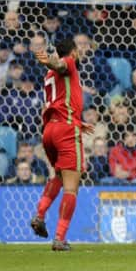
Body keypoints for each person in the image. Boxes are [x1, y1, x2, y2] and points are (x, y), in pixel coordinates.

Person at [29, 39, 92, 251]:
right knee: (71, 188)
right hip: (65, 131)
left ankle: (39, 215)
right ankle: (59, 238)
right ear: (73, 52)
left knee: (57, 174)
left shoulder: (50, 77)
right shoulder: (68, 63)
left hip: (50, 130)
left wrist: (77, 121)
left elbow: (60, 102)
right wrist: (50, 61)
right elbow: (61, 65)